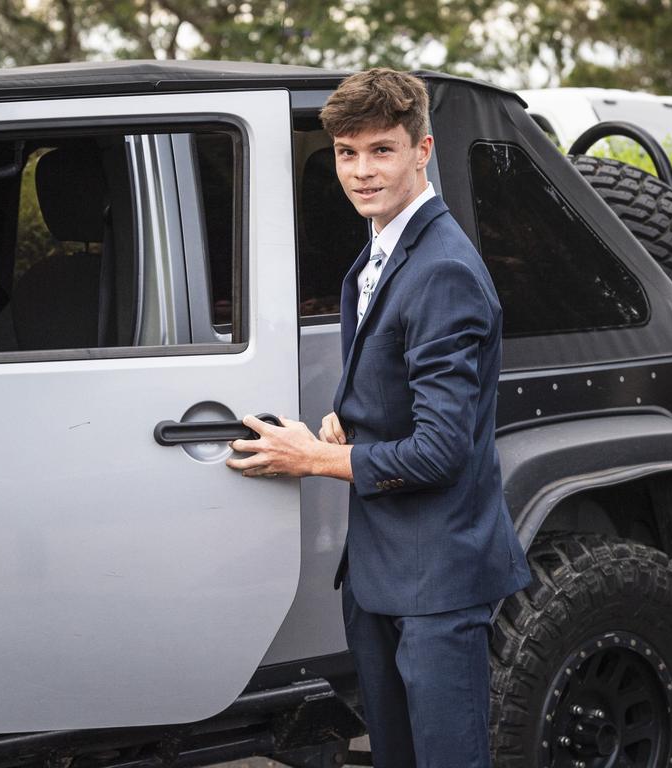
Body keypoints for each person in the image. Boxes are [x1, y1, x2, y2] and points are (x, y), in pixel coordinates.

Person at [226, 69, 531, 768]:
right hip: (381, 573)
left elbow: (440, 452)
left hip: (437, 582)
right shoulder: (383, 249)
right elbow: (405, 385)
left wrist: (312, 459)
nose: (362, 172)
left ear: (422, 150)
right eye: (346, 153)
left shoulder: (442, 268)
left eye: (381, 151)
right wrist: (353, 421)